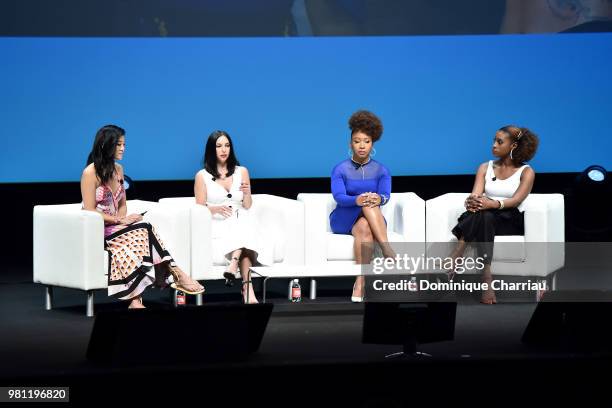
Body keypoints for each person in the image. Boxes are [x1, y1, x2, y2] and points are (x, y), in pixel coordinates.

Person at [81, 125, 204, 309]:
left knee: (142, 232)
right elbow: (89, 210)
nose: (123, 148)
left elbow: (122, 204)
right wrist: (119, 221)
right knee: (145, 228)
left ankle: (136, 300)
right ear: (106, 145)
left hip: (117, 228)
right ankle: (172, 270)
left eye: (124, 144)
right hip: (99, 230)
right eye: (119, 144)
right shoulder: (90, 173)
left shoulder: (119, 169)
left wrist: (124, 220)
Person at [448, 125, 539, 304]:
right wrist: (472, 201)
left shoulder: (526, 172)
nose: (493, 145)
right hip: (485, 218)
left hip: (509, 219)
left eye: (499, 142)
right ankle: (486, 278)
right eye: (493, 140)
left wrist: (493, 203)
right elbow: (476, 193)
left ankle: (456, 255)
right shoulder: (484, 167)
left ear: (513, 146)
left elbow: (516, 201)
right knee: (484, 215)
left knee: (485, 214)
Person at [194, 130, 270, 304]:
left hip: (240, 217)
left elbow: (247, 205)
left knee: (244, 221)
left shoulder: (241, 171)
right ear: (211, 150)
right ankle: (247, 288)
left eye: (227, 145)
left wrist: (247, 193)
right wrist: (214, 209)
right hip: (218, 223)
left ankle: (237, 269)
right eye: (219, 146)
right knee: (245, 237)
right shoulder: (202, 176)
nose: (223, 150)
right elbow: (199, 208)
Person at [329, 110, 394, 302]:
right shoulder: (340, 169)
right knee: (366, 199)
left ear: (372, 143)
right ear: (351, 144)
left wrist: (379, 199)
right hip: (343, 217)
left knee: (366, 225)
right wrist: (357, 200)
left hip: (369, 220)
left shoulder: (382, 170)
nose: (362, 146)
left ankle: (360, 281)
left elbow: (385, 196)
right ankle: (386, 247)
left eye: (366, 141)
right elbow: (339, 197)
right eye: (357, 141)